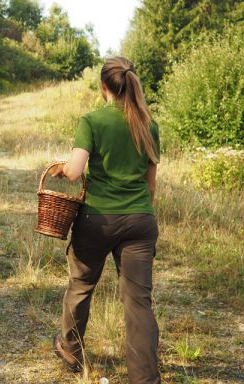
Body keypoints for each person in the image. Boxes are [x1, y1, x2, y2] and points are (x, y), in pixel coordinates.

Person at [49, 56, 161, 383]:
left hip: (98, 219)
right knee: (138, 303)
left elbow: (74, 171)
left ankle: (70, 348)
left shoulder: (92, 120)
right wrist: (139, 212)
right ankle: (145, 377)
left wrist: (60, 166)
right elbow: (150, 184)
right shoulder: (148, 124)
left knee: (82, 285)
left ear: (103, 87)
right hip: (140, 220)